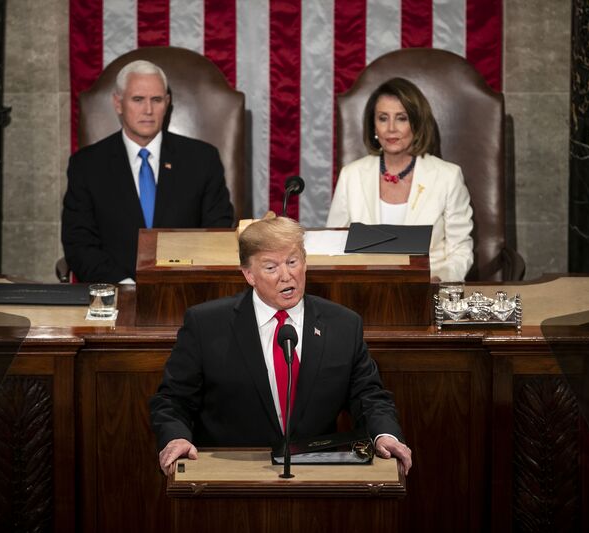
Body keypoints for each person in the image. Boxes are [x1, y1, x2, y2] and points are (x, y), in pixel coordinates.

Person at [149, 216, 412, 476]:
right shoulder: (206, 325)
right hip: (232, 474)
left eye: (292, 262)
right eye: (271, 267)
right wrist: (176, 438)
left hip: (317, 477)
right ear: (249, 274)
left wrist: (384, 434)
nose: (286, 276)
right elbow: (173, 400)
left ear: (305, 263)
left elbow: (369, 396)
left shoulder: (343, 325)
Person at [61, 60, 234, 283]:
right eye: (138, 99)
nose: (148, 110)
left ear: (167, 103)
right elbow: (79, 243)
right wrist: (123, 285)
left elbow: (216, 231)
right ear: (118, 103)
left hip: (186, 292)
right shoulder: (86, 165)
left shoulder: (202, 159)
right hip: (114, 292)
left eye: (157, 99)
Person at [326, 77, 473, 282]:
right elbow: (334, 245)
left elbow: (461, 250)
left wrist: (440, 279)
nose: (391, 128)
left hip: (427, 291)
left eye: (402, 118)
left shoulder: (448, 177)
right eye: (383, 118)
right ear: (373, 126)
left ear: (417, 123)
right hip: (365, 290)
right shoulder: (351, 175)